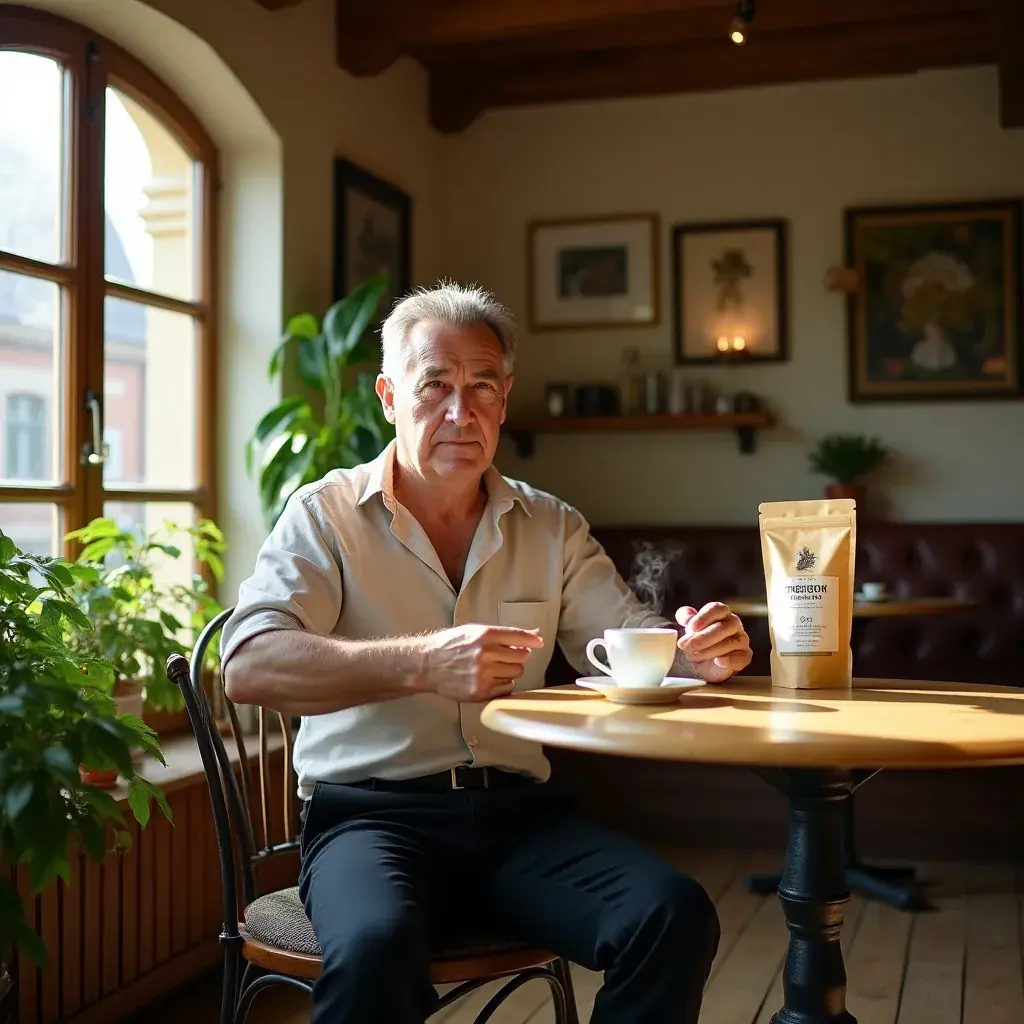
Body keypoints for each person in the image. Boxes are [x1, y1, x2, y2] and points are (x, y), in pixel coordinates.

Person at [221, 283, 754, 1024]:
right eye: (434, 385)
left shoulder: (551, 526)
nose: (458, 412)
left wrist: (700, 656)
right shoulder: (325, 515)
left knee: (673, 914)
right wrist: (423, 663)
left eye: (479, 388)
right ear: (387, 395)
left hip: (520, 821)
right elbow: (248, 665)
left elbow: (635, 646)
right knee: (376, 948)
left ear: (504, 399)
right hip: (370, 821)